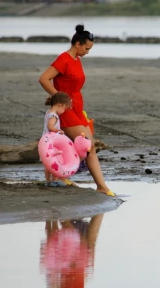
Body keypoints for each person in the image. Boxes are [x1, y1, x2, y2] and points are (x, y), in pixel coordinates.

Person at [39, 24, 115, 196]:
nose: (87, 52)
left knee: (88, 146)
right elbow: (44, 79)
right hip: (66, 109)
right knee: (88, 146)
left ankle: (64, 175)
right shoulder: (64, 59)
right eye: (86, 48)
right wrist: (58, 98)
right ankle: (101, 186)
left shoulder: (77, 60)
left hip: (78, 108)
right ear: (78, 44)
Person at [42, 91, 72, 187]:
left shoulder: (49, 112)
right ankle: (55, 181)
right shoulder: (54, 115)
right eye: (65, 108)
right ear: (60, 105)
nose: (64, 111)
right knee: (55, 161)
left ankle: (48, 181)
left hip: (46, 142)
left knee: (48, 163)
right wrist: (58, 131)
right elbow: (50, 126)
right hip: (52, 142)